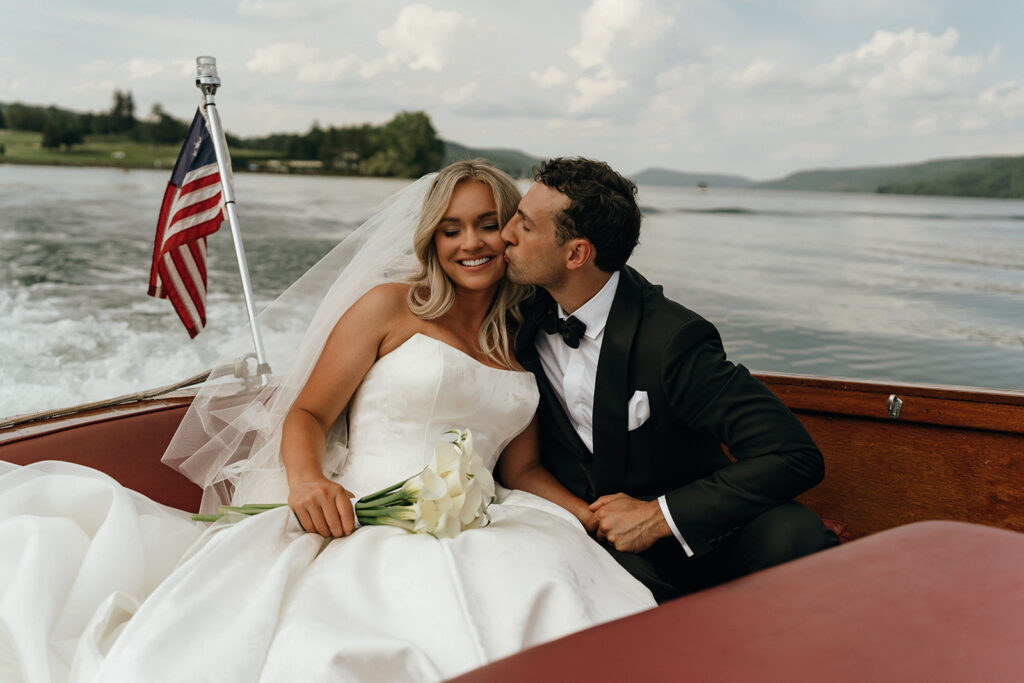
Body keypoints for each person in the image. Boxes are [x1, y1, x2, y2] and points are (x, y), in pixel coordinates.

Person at [0, 160, 654, 683]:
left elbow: (523, 469)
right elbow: (309, 412)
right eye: (451, 228)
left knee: (565, 604)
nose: (471, 242)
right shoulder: (389, 306)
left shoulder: (518, 336)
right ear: (431, 235)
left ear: (512, 233)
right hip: (355, 510)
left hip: (486, 518)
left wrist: (588, 514)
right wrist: (309, 480)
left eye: (488, 224)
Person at [501, 157, 840, 603]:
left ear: (576, 254)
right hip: (589, 533)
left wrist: (656, 516)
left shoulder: (673, 339)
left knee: (795, 536)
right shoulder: (520, 315)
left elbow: (794, 455)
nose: (505, 233)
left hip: (697, 530)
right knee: (602, 582)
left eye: (525, 226)